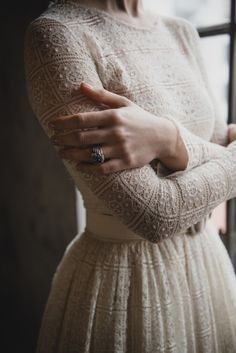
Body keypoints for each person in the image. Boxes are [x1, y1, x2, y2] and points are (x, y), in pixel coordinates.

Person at [24, 0, 236, 352]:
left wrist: (169, 140)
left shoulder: (180, 32)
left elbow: (211, 149)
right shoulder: (58, 36)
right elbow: (155, 214)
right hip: (128, 282)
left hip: (207, 267)